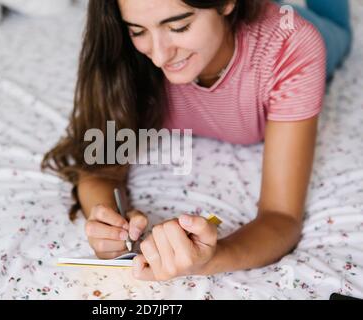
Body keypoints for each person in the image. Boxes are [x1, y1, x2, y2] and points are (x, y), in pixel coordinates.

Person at [41, 0, 352, 281]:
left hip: (304, 27)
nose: (160, 55)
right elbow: (99, 166)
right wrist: (108, 223)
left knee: (337, 28)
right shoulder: (128, 53)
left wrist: (211, 259)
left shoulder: (292, 45)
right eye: (138, 30)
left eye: (179, 26)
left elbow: (282, 217)